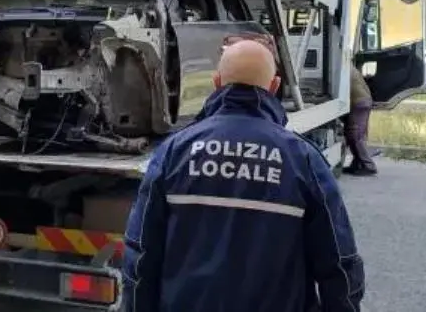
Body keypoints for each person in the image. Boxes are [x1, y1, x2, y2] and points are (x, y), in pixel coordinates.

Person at [121, 39, 365, 312]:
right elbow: (338, 261)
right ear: (273, 87)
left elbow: (141, 253)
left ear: (217, 82)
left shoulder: (173, 152)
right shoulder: (303, 159)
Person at [343, 65, 377, 176]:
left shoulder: (343, 68)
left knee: (356, 136)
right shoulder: (350, 68)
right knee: (355, 135)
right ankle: (357, 164)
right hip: (363, 101)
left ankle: (369, 165)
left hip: (359, 103)